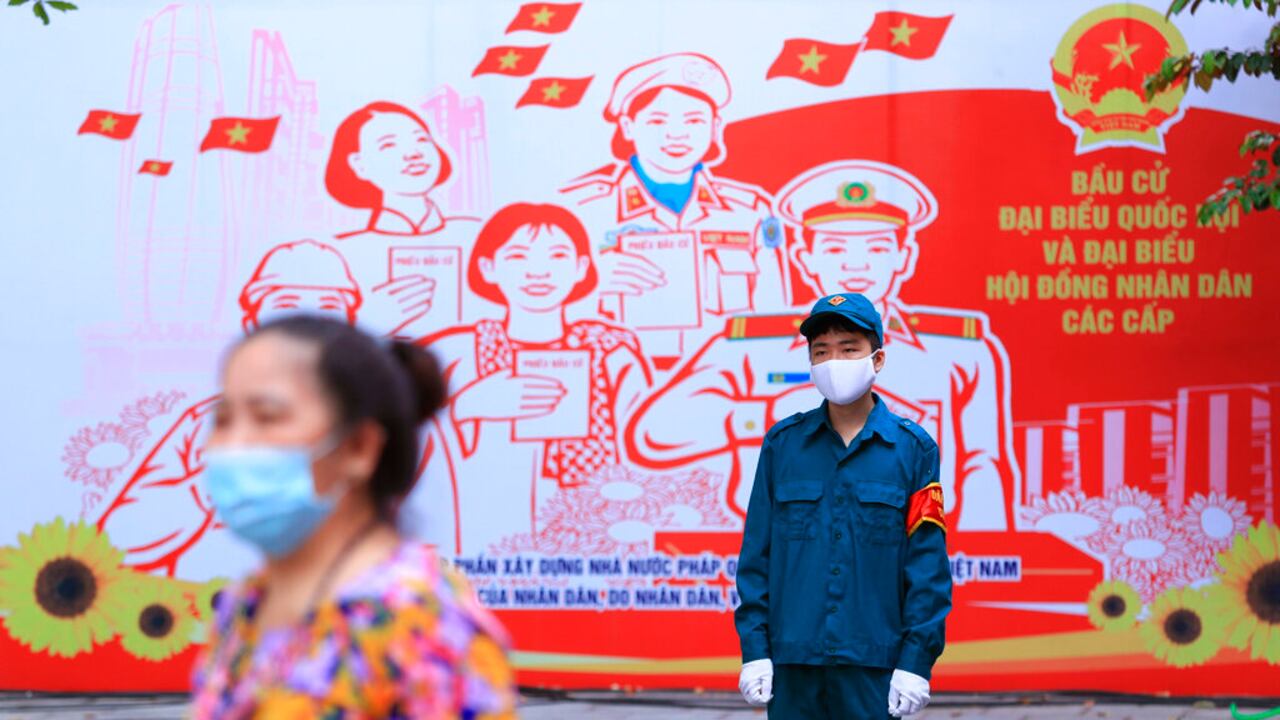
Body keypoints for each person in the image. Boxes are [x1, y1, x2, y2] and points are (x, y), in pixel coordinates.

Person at [625, 160, 1018, 529]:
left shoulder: (958, 353)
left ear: (905, 257)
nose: (856, 265)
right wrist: (758, 416)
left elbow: (984, 468)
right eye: (834, 248)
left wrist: (984, 556)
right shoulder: (749, 347)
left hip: (899, 549)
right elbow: (651, 433)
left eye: (877, 248)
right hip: (790, 543)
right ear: (804, 258)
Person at [189, 315, 517, 718]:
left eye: (267, 417)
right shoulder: (245, 606)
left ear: (359, 447)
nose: (232, 446)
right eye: (223, 421)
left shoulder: (418, 621)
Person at [734, 293, 952, 719]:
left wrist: (915, 661)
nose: (834, 360)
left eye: (849, 348)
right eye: (821, 351)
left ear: (877, 359)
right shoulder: (785, 445)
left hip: (874, 664)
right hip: (793, 663)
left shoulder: (912, 449)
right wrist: (755, 650)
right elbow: (756, 558)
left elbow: (927, 568)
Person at [97, 240, 363, 578]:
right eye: (286, 314)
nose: (240, 441)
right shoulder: (246, 605)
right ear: (253, 322)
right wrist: (203, 484)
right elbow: (121, 545)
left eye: (269, 418)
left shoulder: (397, 606)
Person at [415, 203, 652, 554]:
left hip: (596, 549)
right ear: (488, 267)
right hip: (485, 545)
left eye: (557, 256)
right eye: (517, 257)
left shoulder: (613, 352)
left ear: (581, 267)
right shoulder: (455, 352)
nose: (538, 272)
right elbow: (408, 446)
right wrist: (466, 407)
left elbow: (643, 447)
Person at [562, 52, 788, 368]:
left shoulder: (750, 211)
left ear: (715, 125)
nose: (676, 134)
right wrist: (587, 285)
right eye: (657, 120)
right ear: (628, 126)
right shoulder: (581, 211)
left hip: (724, 379)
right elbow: (542, 317)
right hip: (614, 378)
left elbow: (774, 318)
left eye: (694, 120)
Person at [325, 101, 493, 337]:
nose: (414, 153)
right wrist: (365, 320)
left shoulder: (477, 235)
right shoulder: (339, 253)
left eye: (421, 140)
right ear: (359, 165)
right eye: (389, 145)